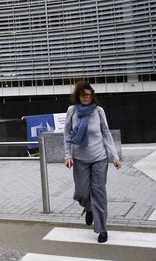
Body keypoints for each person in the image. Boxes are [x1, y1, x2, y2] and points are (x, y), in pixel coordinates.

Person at [64, 81, 121, 243]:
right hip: (79, 159)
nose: (86, 98)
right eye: (83, 95)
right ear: (78, 96)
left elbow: (106, 134)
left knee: (99, 194)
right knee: (81, 193)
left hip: (99, 158)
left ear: (92, 96)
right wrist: (68, 155)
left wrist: (115, 157)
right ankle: (89, 208)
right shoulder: (72, 111)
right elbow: (67, 134)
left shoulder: (98, 111)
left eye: (88, 95)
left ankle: (102, 229)